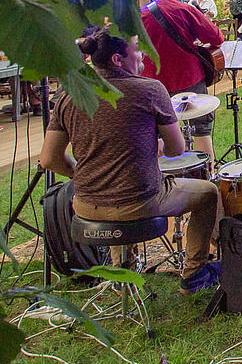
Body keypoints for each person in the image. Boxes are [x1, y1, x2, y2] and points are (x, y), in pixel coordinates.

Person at [41, 30, 222, 292]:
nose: (142, 56)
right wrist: (157, 146)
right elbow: (176, 149)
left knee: (116, 186)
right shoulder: (149, 89)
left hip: (85, 206)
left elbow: (48, 159)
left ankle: (122, 276)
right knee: (208, 193)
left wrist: (81, 174)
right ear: (117, 59)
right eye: (137, 50)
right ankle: (194, 273)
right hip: (139, 204)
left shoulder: (69, 95)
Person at [141, 0, 224, 162]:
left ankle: (162, 181)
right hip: (189, 76)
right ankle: (206, 174)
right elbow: (216, 37)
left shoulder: (142, 14)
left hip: (155, 81)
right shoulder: (186, 10)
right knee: (200, 127)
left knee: (158, 132)